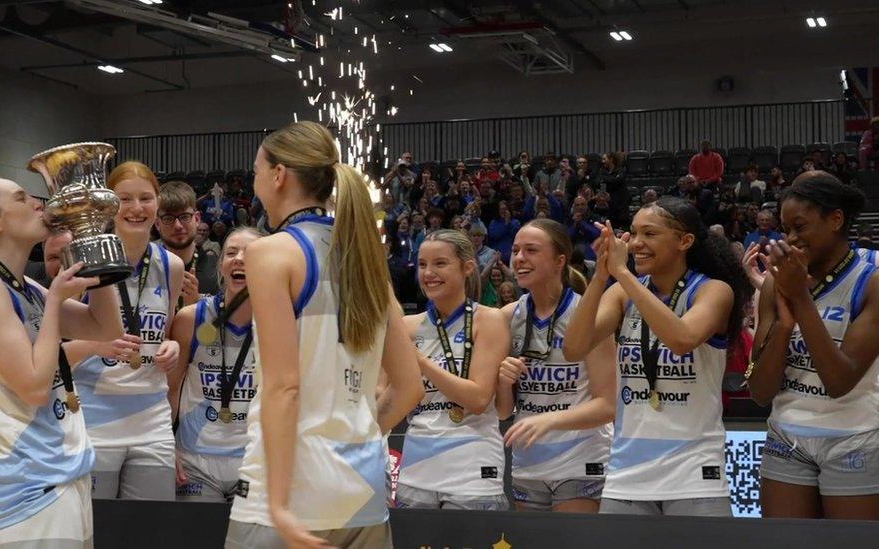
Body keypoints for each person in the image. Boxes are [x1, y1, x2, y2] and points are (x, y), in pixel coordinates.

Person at [228, 121, 423, 548]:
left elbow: (284, 387)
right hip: (362, 488)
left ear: (279, 175)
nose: (255, 179)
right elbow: (409, 387)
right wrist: (359, 437)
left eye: (257, 169)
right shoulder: (366, 257)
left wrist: (279, 504)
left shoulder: (270, 252)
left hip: (290, 491)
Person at [0, 173, 123, 546]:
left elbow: (104, 328)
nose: (38, 202)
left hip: (65, 476)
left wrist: (94, 246)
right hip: (29, 490)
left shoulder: (27, 286)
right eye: (22, 198)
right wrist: (55, 303)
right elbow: (34, 388)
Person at [564, 196, 751, 517]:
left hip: (694, 469)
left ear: (685, 241)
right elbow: (574, 348)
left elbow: (682, 339)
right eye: (633, 233)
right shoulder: (622, 292)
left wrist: (623, 274)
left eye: (649, 234)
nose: (636, 243)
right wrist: (601, 276)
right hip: (628, 470)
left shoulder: (713, 290)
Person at [746, 172, 879, 520]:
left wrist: (800, 298)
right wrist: (783, 326)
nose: (791, 238)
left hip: (856, 436)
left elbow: (840, 381)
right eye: (785, 229)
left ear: (836, 220)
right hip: (786, 436)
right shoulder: (772, 286)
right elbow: (760, 391)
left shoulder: (875, 284)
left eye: (800, 226)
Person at [67, 161, 184, 501]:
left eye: (146, 198)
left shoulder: (172, 267)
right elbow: (55, 347)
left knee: (152, 531)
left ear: (158, 203)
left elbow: (162, 334)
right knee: (98, 531)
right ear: (108, 205)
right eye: (124, 199)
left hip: (152, 421)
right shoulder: (81, 260)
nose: (136, 208)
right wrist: (94, 345)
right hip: (93, 419)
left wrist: (172, 348)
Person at [495, 219, 616, 513]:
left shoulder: (588, 315)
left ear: (560, 260)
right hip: (528, 460)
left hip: (581, 458)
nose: (520, 258)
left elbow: (607, 405)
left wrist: (550, 420)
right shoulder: (507, 316)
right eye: (516, 250)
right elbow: (502, 411)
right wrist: (502, 381)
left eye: (531, 250)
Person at [397, 229, 510, 510]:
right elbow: (387, 395)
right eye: (422, 264)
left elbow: (479, 399)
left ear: (468, 267)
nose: (429, 273)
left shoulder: (490, 320)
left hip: (472, 469)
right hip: (417, 470)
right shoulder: (406, 326)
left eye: (440, 263)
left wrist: (420, 361)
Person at [169, 228, 260, 502]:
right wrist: (167, 445)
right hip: (195, 462)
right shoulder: (190, 319)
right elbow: (170, 389)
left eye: (251, 254)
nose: (239, 259)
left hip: (253, 462)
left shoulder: (282, 324)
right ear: (221, 266)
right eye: (231, 253)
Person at [155, 181, 220, 308]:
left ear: (197, 219)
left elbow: (223, 325)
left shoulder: (218, 269)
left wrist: (198, 305)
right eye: (168, 218)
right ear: (157, 224)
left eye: (185, 217)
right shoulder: (148, 270)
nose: (178, 226)